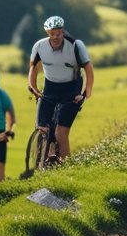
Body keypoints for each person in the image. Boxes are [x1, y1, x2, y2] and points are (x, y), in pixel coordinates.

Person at [27, 14, 94, 163]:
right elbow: (33, 68)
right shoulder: (39, 46)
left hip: (71, 90)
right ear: (47, 33)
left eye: (58, 33)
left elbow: (89, 69)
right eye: (52, 33)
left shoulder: (76, 45)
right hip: (51, 88)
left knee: (61, 133)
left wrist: (85, 94)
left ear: (63, 31)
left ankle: (66, 167)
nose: (55, 37)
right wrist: (33, 87)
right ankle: (47, 155)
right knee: (42, 126)